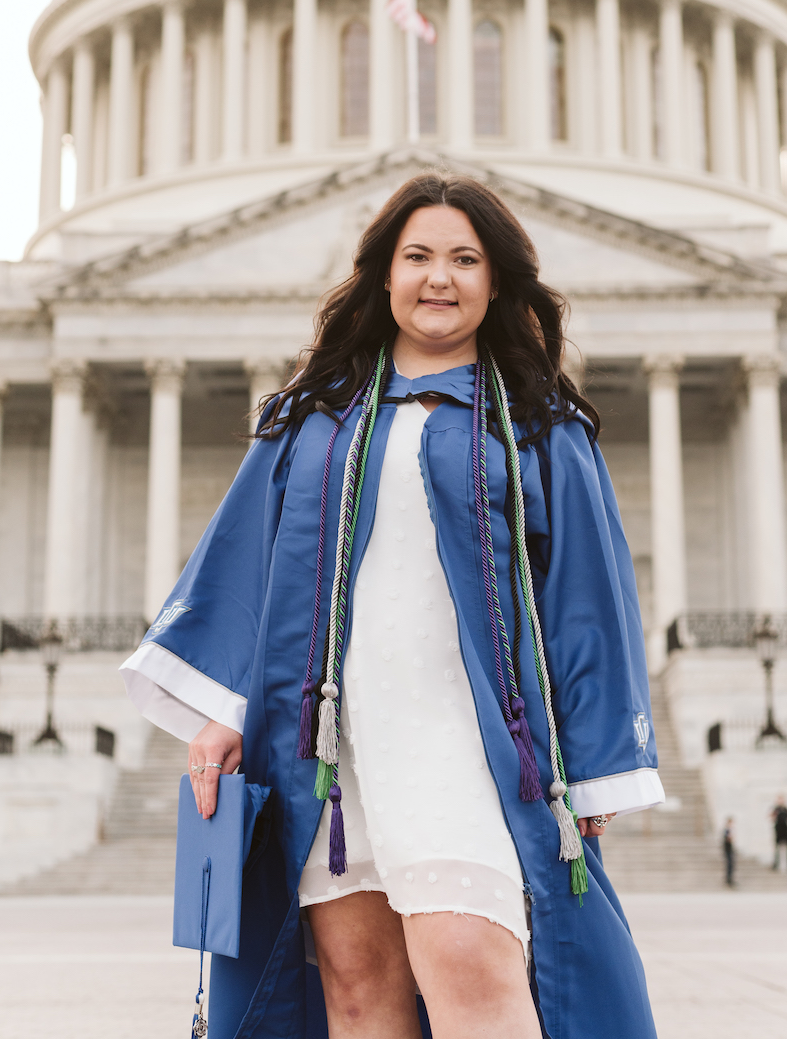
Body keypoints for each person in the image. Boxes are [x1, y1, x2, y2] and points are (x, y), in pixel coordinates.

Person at [121, 173, 664, 1039]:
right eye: (417, 256)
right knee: (356, 985)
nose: (438, 277)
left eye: (463, 258)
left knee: (472, 963)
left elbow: (587, 601)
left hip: (476, 738)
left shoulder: (538, 422)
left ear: (496, 281)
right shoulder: (311, 420)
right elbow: (246, 572)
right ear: (383, 275)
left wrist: (596, 760)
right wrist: (221, 715)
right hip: (331, 740)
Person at [771, 795, 787, 874]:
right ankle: (775, 865)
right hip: (778, 831)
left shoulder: (786, 809)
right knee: (777, 850)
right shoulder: (776, 809)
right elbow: (771, 817)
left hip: (785, 831)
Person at [722, 818, 735, 887]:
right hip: (728, 849)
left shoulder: (729, 830)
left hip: (729, 849)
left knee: (731, 865)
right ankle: (728, 879)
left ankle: (730, 879)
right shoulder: (727, 830)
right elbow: (727, 839)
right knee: (729, 864)